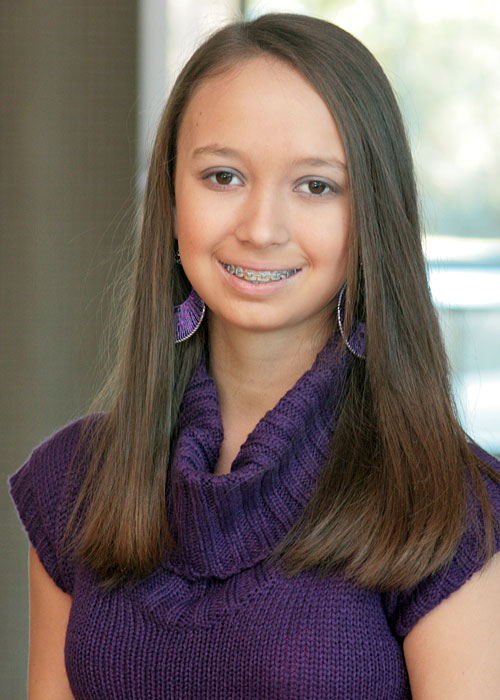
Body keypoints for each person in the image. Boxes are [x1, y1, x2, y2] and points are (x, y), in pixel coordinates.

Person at [9, 12, 500, 700]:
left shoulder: (446, 503)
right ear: (171, 194)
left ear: (371, 216)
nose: (262, 229)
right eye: (223, 176)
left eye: (316, 186)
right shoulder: (73, 483)